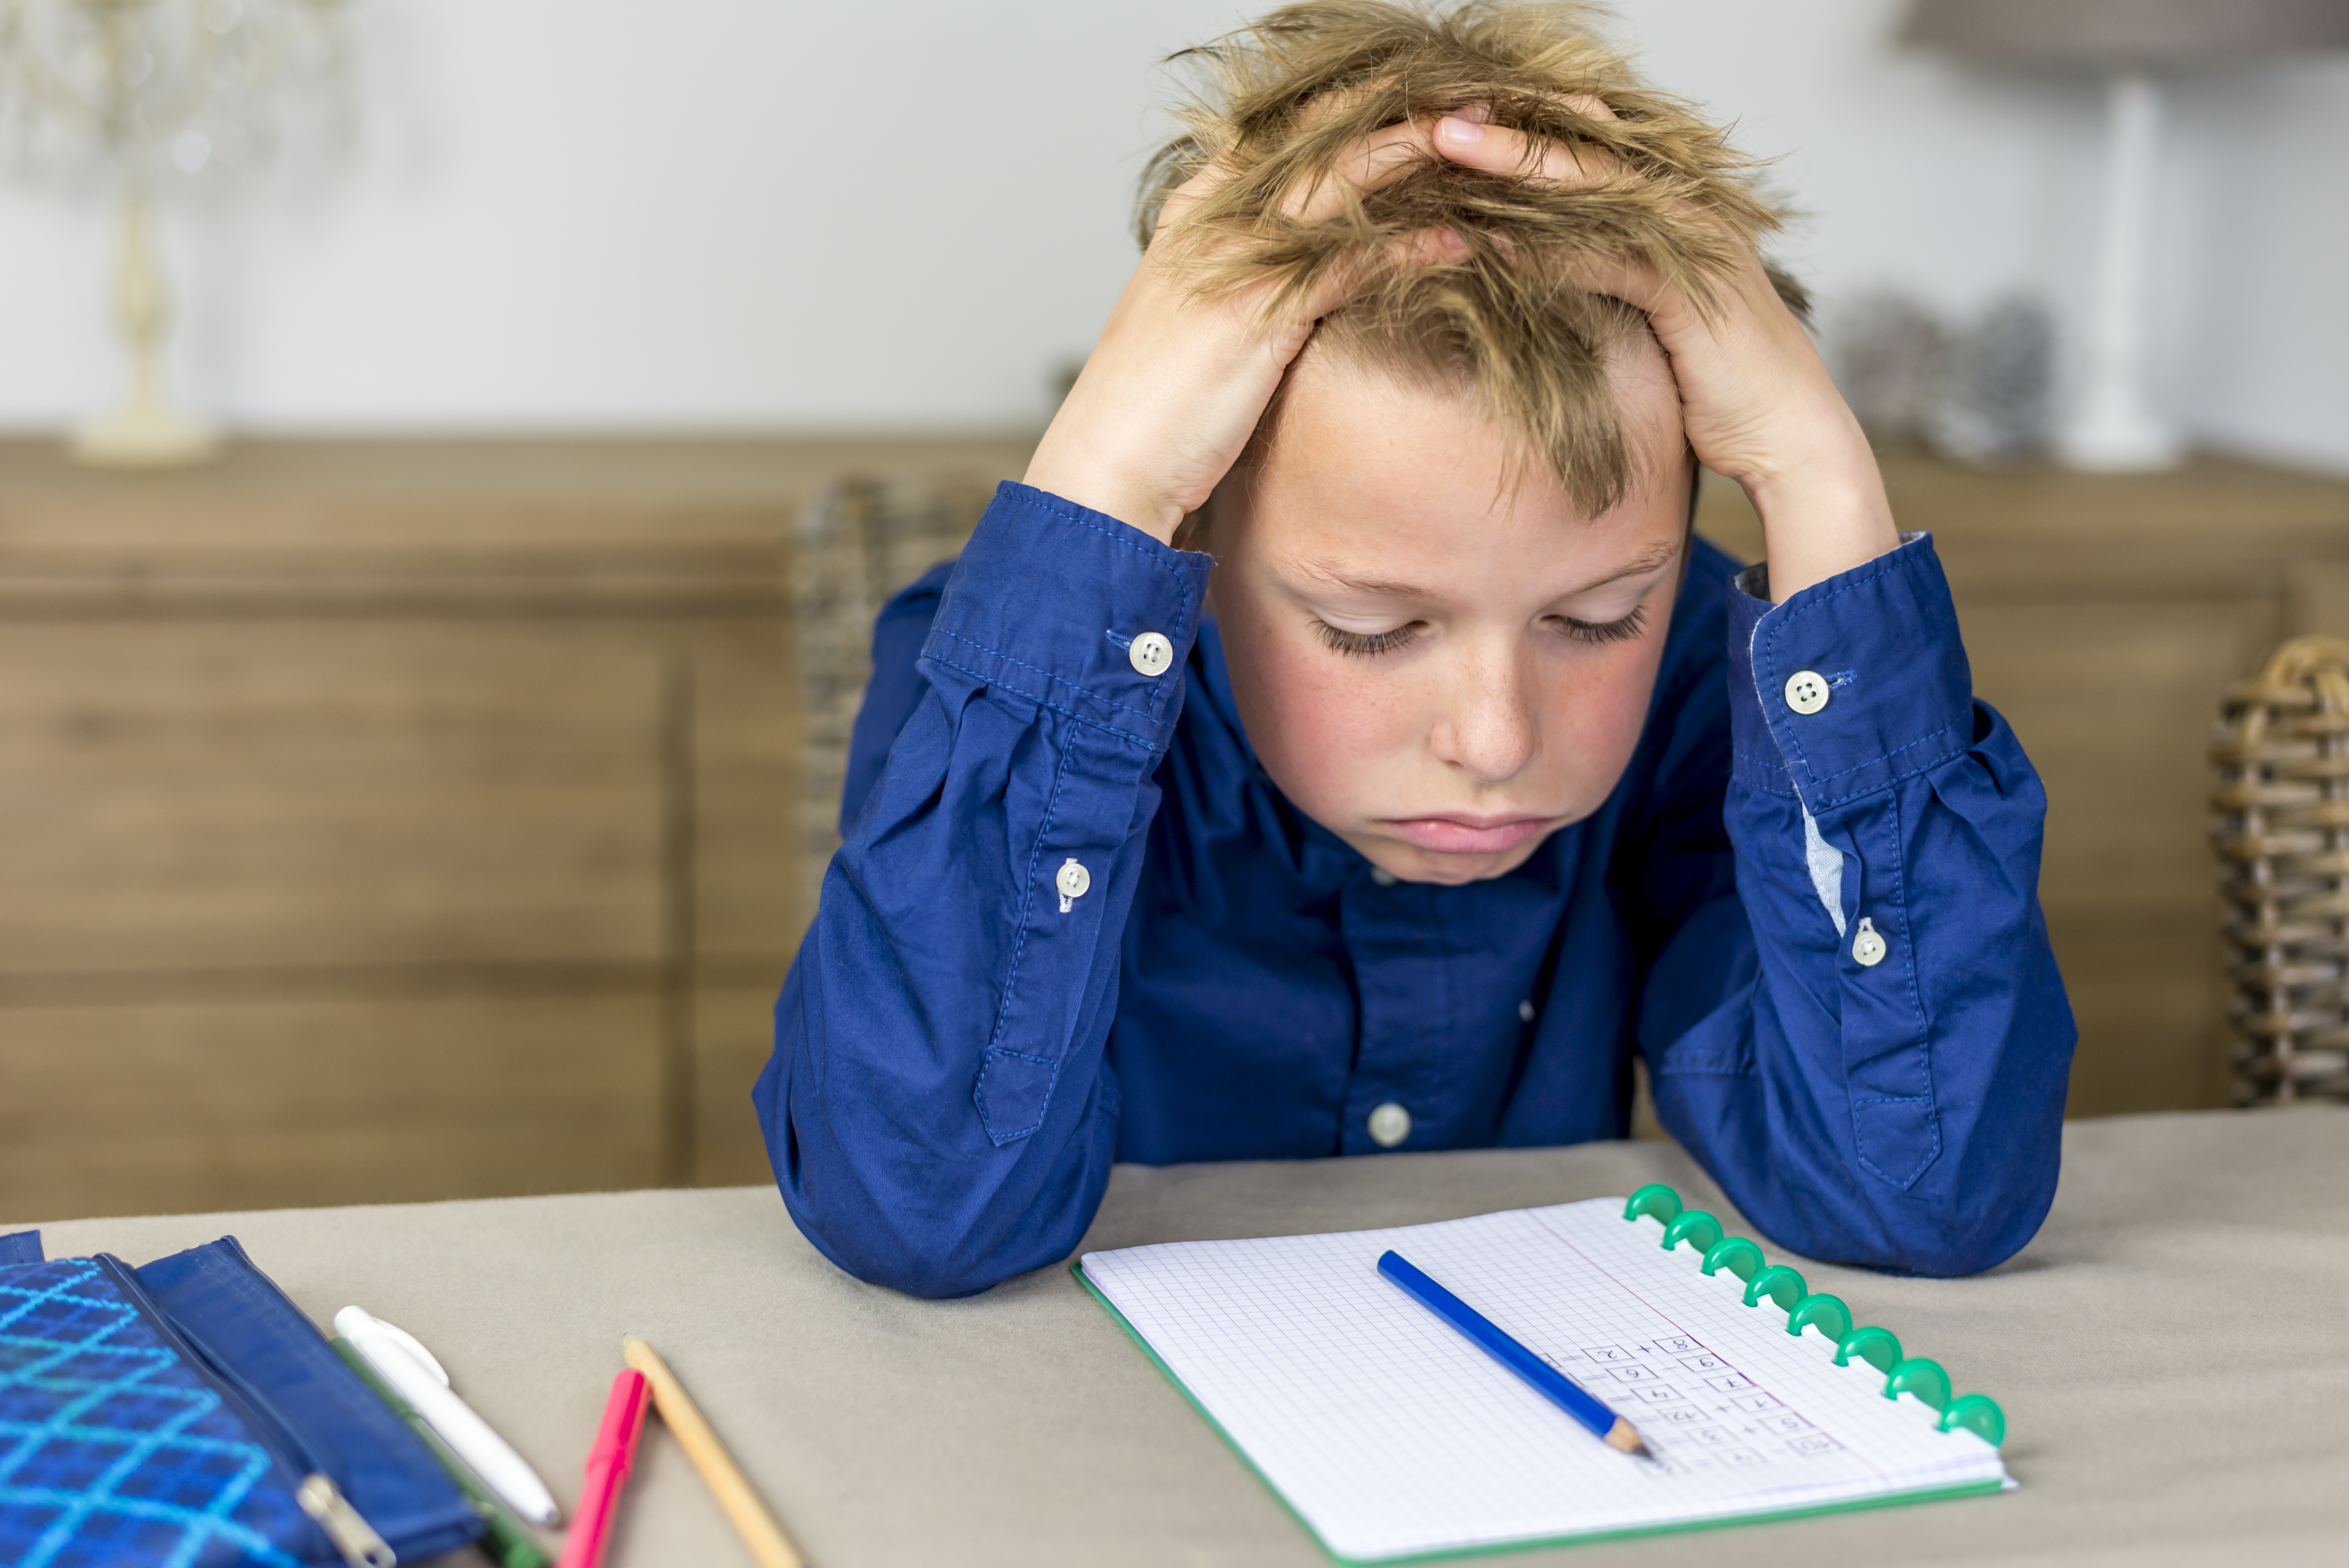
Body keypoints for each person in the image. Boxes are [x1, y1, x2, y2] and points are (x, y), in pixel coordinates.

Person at [755, 0, 2075, 1298]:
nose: (1497, 739)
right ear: (1195, 543)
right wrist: (1107, 473)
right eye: (1372, 629)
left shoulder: (1710, 716)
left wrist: (1822, 473)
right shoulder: (998, 684)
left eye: (1596, 616)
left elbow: (1928, 1195)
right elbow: (919, 1209)